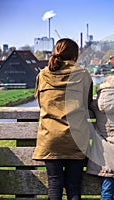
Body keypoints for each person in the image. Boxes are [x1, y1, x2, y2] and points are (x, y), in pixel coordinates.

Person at [32, 38, 93, 200]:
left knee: (54, 183)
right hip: (76, 138)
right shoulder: (82, 74)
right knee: (74, 187)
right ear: (75, 55)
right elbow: (87, 103)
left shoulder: (43, 75)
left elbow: (40, 101)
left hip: (50, 138)